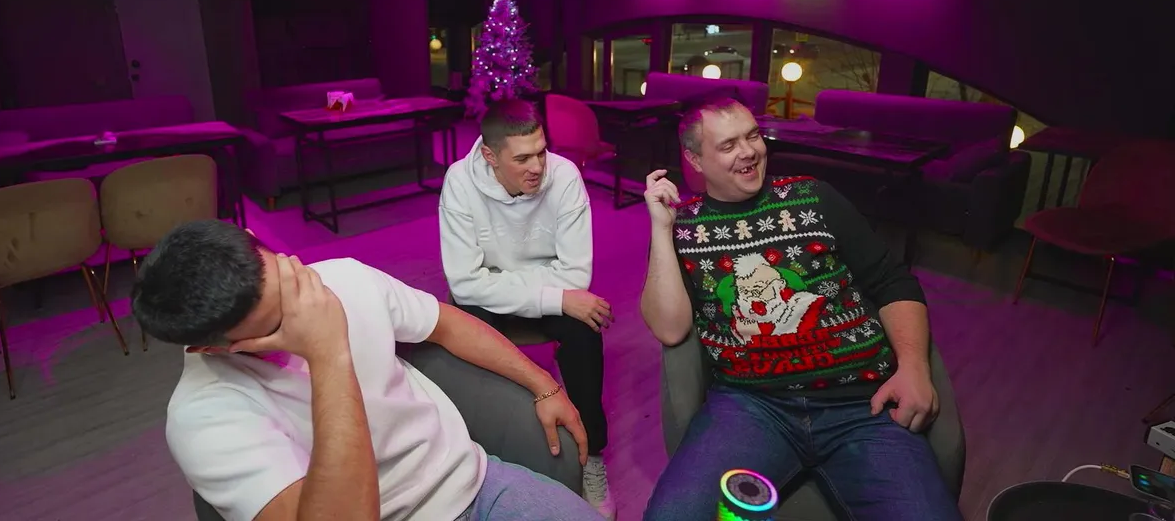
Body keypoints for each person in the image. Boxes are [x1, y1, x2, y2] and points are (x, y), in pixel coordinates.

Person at [131, 219, 604, 521]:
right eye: (280, 321)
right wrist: (327, 353)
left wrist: (544, 385)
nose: (310, 302)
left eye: (292, 279)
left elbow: (446, 324)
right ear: (213, 348)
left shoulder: (343, 276)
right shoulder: (204, 416)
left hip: (475, 484)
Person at [639, 96, 961, 521]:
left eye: (753, 136)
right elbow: (669, 329)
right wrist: (661, 229)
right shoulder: (684, 227)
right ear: (695, 160)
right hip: (752, 406)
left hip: (860, 404)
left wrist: (914, 367)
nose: (749, 151)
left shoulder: (814, 197)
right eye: (729, 145)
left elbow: (892, 281)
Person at [438, 99, 616, 519]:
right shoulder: (460, 182)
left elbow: (576, 275)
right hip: (501, 299)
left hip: (522, 290)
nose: (537, 166)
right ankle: (482, 459)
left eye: (541, 151)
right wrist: (553, 295)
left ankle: (591, 456)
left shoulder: (565, 175)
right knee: (462, 333)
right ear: (490, 156)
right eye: (522, 159)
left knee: (585, 329)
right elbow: (464, 284)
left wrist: (500, 281)